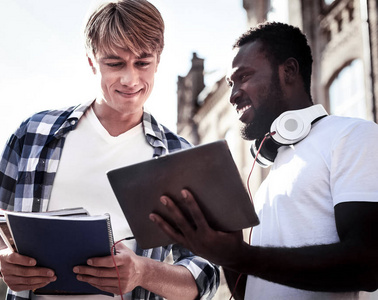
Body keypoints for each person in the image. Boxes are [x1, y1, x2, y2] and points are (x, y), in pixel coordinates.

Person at [0, 1, 220, 299]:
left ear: (158, 60)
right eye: (114, 64)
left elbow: (206, 272)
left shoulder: (179, 156)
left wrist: (143, 271)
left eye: (142, 63)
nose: (130, 79)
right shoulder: (34, 134)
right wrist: (0, 258)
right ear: (91, 61)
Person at [150, 21, 378, 299]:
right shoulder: (270, 179)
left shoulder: (352, 136)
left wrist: (243, 255)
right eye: (230, 83)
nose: (233, 94)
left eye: (243, 77)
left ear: (289, 71)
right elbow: (253, 290)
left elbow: (368, 264)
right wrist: (224, 247)